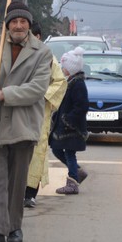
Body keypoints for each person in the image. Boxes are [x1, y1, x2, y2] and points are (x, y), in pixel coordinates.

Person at [0, 0, 52, 242]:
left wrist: (3, 95)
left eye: (23, 22)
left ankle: (14, 227)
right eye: (14, 21)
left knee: (17, 180)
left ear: (29, 25)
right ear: (7, 24)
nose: (18, 25)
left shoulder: (42, 52)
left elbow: (37, 88)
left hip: (23, 125)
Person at [24, 22, 67, 208]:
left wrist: (43, 96)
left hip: (40, 111)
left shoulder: (48, 57)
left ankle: (30, 193)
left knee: (36, 151)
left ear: (38, 37)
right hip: (19, 109)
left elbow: (60, 81)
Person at [49, 48, 90, 195]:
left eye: (64, 67)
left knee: (69, 154)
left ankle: (72, 182)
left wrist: (68, 120)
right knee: (56, 148)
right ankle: (77, 171)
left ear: (71, 68)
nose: (62, 69)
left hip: (72, 127)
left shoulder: (78, 84)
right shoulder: (71, 81)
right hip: (66, 126)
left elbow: (82, 106)